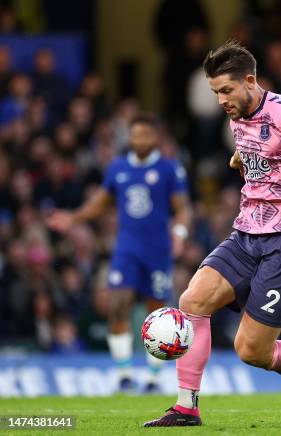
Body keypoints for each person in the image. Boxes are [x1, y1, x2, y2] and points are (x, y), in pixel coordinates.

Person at [144, 40, 281, 427]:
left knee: (251, 351)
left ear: (250, 80)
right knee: (193, 299)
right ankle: (185, 407)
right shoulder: (238, 113)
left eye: (226, 90)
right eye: (215, 93)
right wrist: (244, 157)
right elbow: (263, 147)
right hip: (246, 233)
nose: (220, 100)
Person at [47, 114, 192, 393]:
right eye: (135, 134)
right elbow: (101, 202)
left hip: (158, 249)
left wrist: (180, 233)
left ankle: (152, 378)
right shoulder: (118, 167)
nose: (139, 140)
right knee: (117, 303)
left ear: (156, 138)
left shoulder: (169, 169)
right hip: (126, 247)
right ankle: (124, 375)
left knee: (157, 313)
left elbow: (183, 207)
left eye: (145, 135)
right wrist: (73, 218)